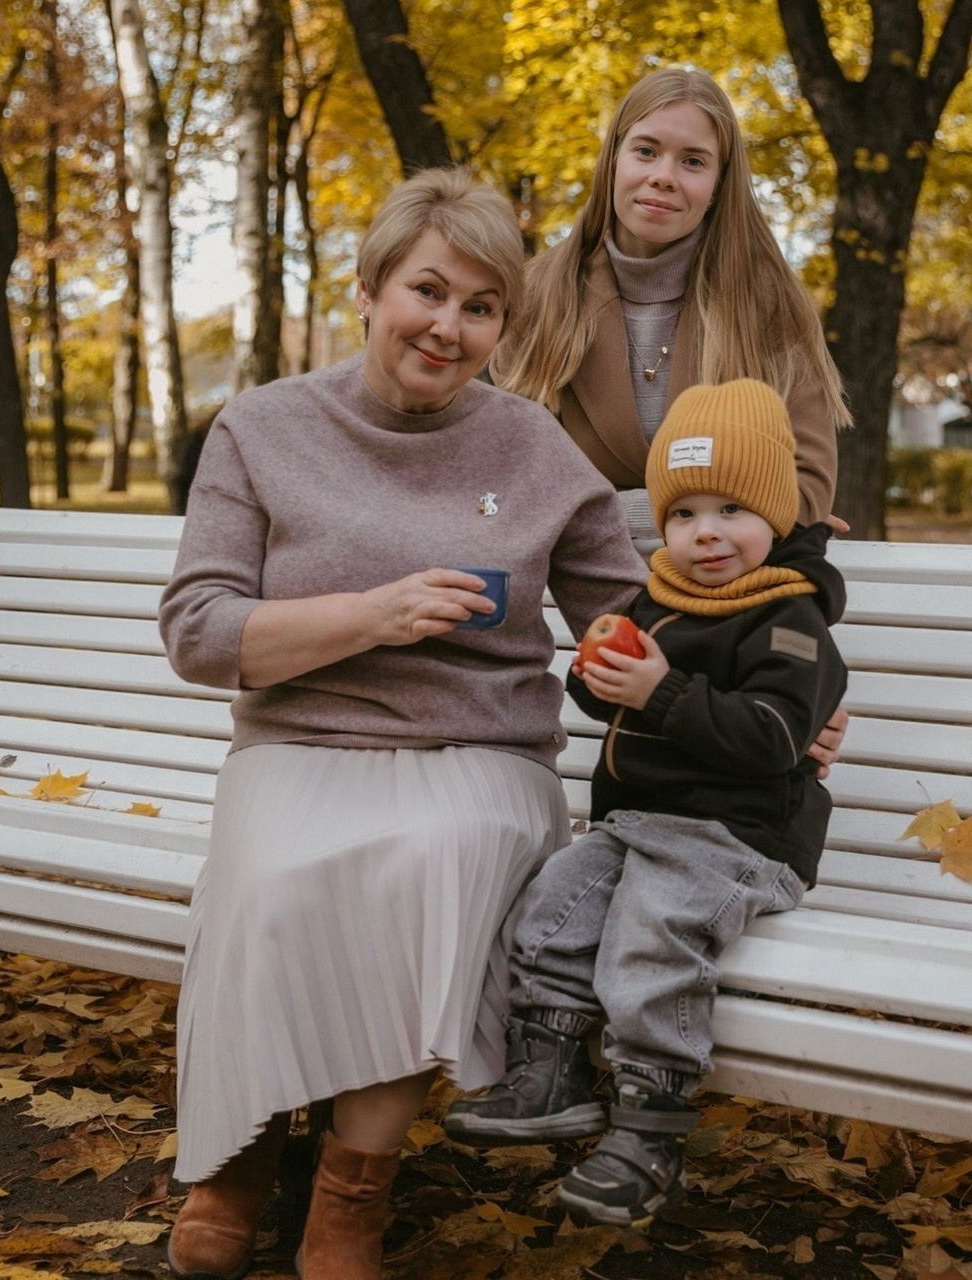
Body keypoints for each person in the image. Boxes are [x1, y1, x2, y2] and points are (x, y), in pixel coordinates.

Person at [157, 167, 649, 1280]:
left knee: (443, 858)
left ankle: (348, 1197)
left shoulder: (530, 448)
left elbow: (624, 611)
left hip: (480, 754)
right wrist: (369, 616)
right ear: (372, 286)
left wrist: (754, 692)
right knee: (274, 870)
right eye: (428, 290)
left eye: (481, 307)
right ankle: (233, 1153)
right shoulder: (265, 426)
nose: (449, 325)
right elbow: (198, 629)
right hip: (302, 742)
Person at [443, 379, 849, 1228]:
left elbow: (772, 738)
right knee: (550, 905)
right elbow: (609, 697)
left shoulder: (789, 622)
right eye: (685, 513)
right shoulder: (657, 598)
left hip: (733, 840)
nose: (707, 532)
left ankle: (648, 1133)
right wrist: (602, 675)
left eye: (733, 509)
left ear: (775, 515)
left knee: (651, 937)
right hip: (638, 825)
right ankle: (549, 1076)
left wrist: (660, 693)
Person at [489, 65, 850, 767]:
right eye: (646, 150)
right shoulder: (541, 296)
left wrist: (606, 512)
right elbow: (512, 489)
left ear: (720, 183)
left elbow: (804, 493)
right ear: (614, 159)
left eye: (693, 162)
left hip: (736, 638)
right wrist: (718, 507)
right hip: (580, 638)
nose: (663, 176)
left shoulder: (766, 300)